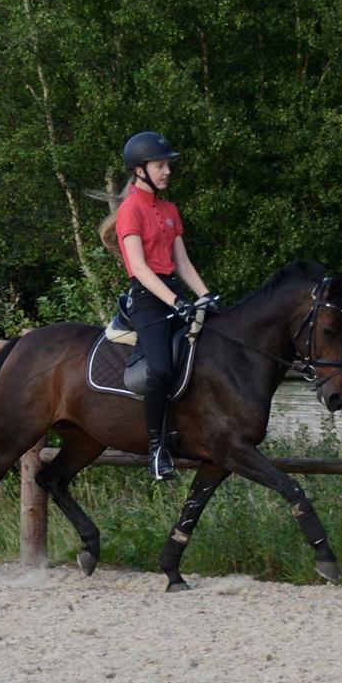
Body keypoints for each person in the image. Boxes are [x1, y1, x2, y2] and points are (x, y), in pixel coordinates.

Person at [109, 131, 219, 480]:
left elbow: (183, 264)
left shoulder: (170, 210)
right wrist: (175, 302)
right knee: (159, 368)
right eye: (160, 165)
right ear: (140, 170)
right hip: (147, 299)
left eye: (168, 165)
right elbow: (140, 267)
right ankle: (157, 450)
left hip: (173, 293)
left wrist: (206, 296)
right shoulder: (130, 210)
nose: (167, 171)